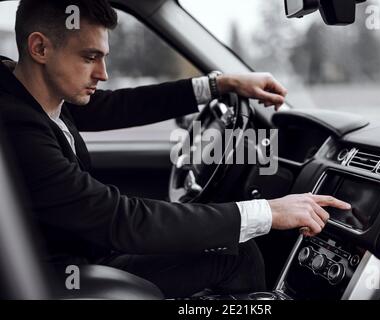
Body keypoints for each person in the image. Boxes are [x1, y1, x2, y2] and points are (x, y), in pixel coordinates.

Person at [0, 0, 351, 298]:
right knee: (236, 257)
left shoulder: (38, 92)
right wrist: (267, 213)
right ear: (40, 48)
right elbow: (118, 219)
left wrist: (220, 83)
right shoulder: (17, 126)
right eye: (90, 57)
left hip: (85, 250)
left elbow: (120, 105)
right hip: (63, 273)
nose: (103, 73)